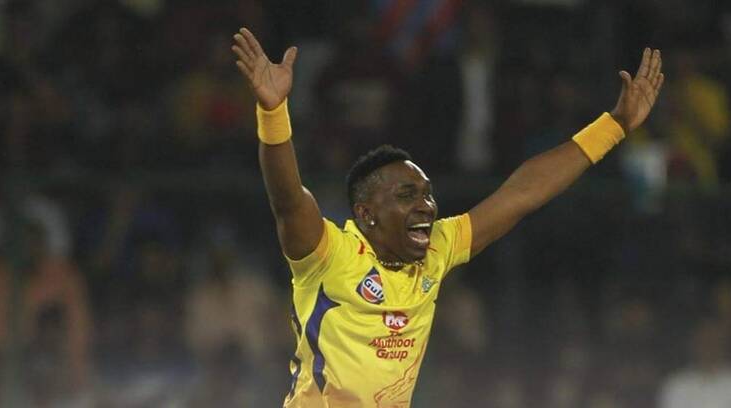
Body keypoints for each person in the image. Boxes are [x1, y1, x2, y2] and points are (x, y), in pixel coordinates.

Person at [231, 27, 663, 407]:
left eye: (427, 194)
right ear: (366, 214)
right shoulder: (329, 254)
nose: (426, 206)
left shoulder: (437, 248)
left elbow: (523, 193)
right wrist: (273, 112)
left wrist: (615, 126)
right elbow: (288, 199)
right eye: (407, 195)